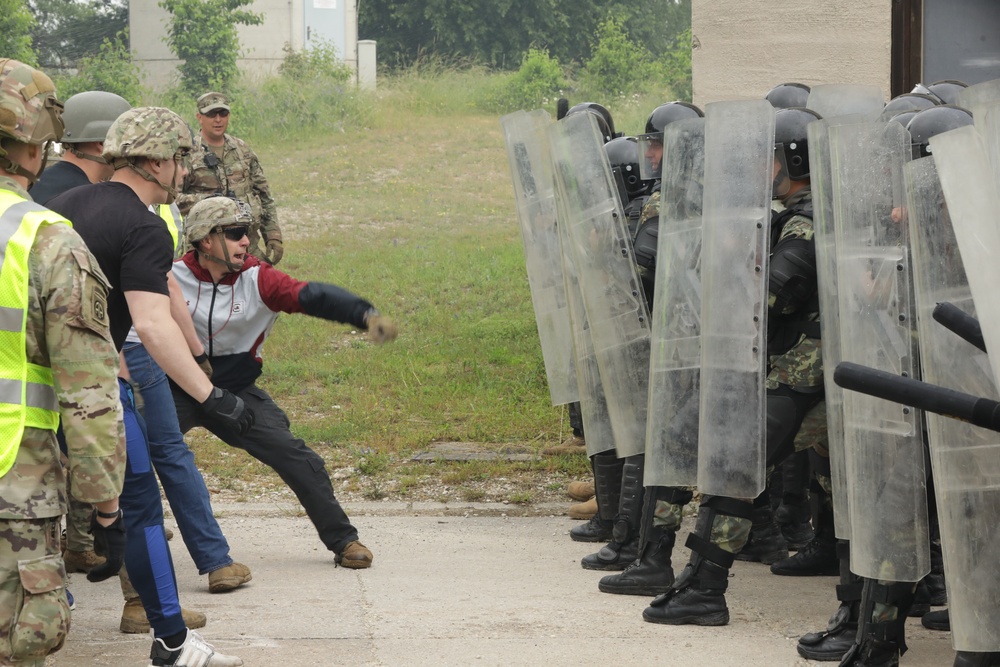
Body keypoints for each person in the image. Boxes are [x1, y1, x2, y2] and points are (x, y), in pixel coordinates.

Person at [33, 92, 251, 635]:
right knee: (139, 501)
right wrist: (209, 394)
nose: (182, 169)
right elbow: (152, 324)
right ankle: (165, 625)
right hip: (90, 385)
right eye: (178, 158)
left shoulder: (70, 203)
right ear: (156, 162)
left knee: (45, 504)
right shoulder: (144, 226)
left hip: (38, 380)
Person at [644, 106, 826, 626]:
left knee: (732, 467)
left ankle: (707, 588)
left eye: (771, 157)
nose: (763, 168)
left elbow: (767, 299)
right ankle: (691, 577)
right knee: (727, 459)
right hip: (790, 374)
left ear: (794, 158)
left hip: (807, 379)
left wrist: (730, 257)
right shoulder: (789, 217)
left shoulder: (809, 224)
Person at [171, 196, 398, 568]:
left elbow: (311, 295)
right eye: (236, 233)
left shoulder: (258, 278)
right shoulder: (171, 276)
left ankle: (344, 540)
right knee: (130, 452)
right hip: (176, 387)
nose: (247, 241)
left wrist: (364, 315)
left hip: (236, 390)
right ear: (205, 240)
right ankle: (95, 540)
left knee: (296, 456)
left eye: (249, 233)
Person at [0, 57, 126, 667]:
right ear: (35, 143)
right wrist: (105, 507)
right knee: (23, 636)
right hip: (14, 483)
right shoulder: (46, 239)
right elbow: (89, 390)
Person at [177, 92, 283, 265]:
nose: (218, 119)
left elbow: (263, 194)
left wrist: (273, 235)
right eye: (211, 114)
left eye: (223, 114)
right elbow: (172, 200)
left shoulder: (242, 149)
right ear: (199, 117)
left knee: (262, 286)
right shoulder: (187, 153)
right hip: (206, 247)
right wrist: (210, 203)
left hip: (247, 243)